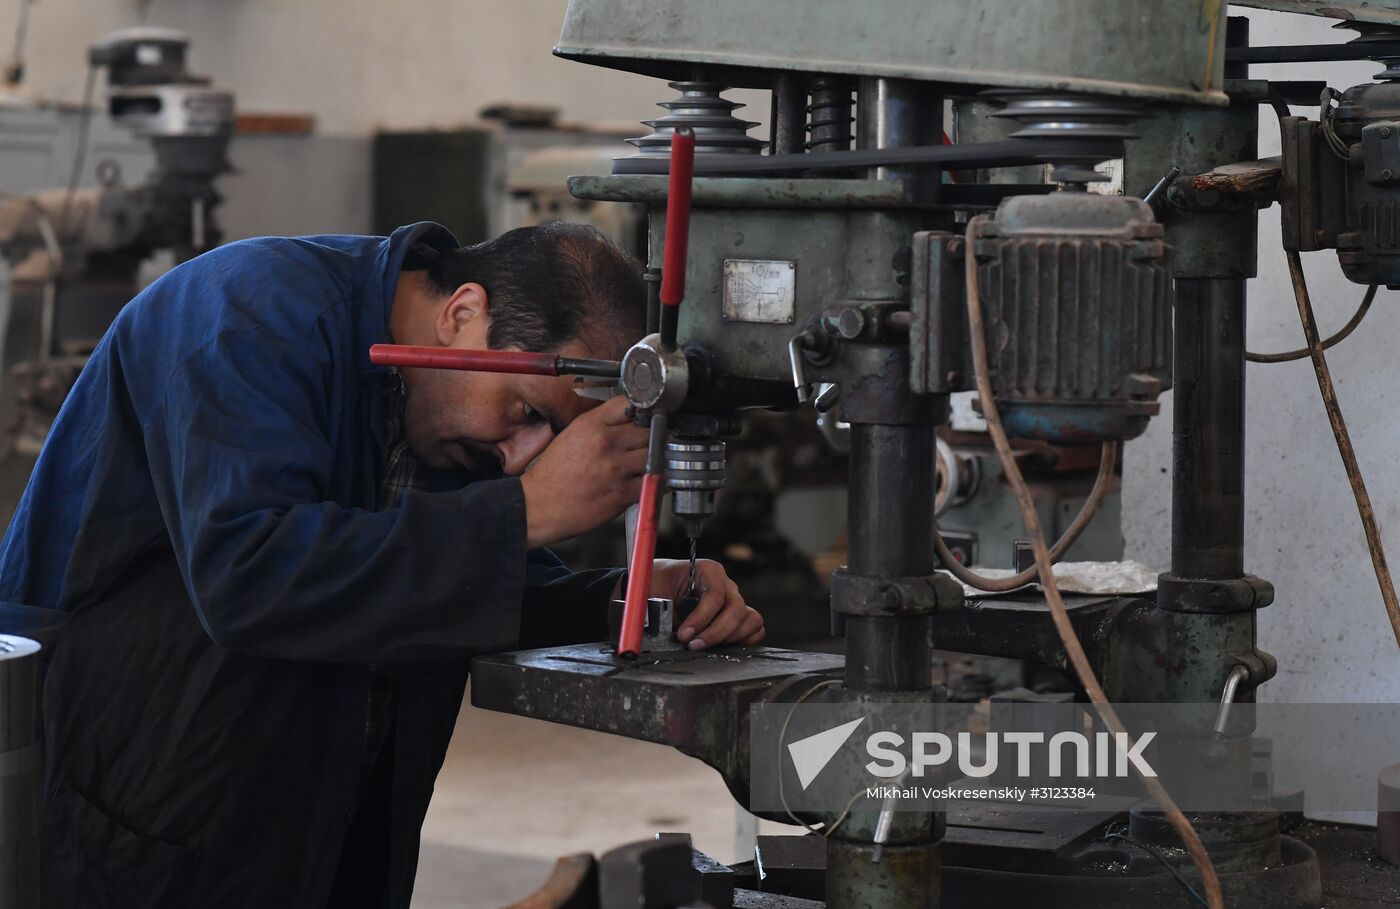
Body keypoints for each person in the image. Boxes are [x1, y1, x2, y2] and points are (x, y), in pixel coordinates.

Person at [0, 220, 763, 907]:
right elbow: (250, 573)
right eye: (529, 413)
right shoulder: (248, 312)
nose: (521, 458)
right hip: (131, 825)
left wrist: (631, 599)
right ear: (462, 312)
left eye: (552, 440)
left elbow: (441, 582)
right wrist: (528, 511)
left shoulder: (442, 416)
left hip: (320, 825)